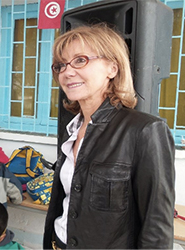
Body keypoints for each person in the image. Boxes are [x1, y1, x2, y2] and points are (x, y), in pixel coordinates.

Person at [43, 23, 175, 249]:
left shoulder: (144, 130)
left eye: (80, 60)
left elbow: (157, 226)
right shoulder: (72, 129)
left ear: (112, 68)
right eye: (61, 65)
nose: (67, 72)